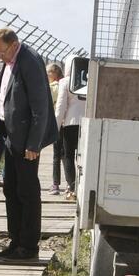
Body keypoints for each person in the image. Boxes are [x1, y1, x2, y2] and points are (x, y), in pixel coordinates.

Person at [0, 28, 58, 261]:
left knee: (27, 191)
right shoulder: (7, 63)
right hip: (10, 137)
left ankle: (28, 246)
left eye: (1, 51)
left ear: (14, 44)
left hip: (27, 141)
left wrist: (34, 144)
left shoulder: (30, 61)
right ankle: (15, 241)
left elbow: (40, 107)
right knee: (11, 189)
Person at [55, 56, 86, 201]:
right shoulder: (89, 79)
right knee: (84, 156)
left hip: (70, 123)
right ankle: (84, 185)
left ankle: (72, 187)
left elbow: (61, 106)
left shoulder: (65, 81)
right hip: (88, 123)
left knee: (68, 155)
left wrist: (55, 126)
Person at [46, 63, 64, 195]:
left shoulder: (53, 87)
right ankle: (71, 184)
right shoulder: (66, 84)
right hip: (67, 123)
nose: (47, 75)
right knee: (67, 155)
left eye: (48, 73)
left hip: (56, 122)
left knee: (56, 155)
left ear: (54, 73)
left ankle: (55, 184)